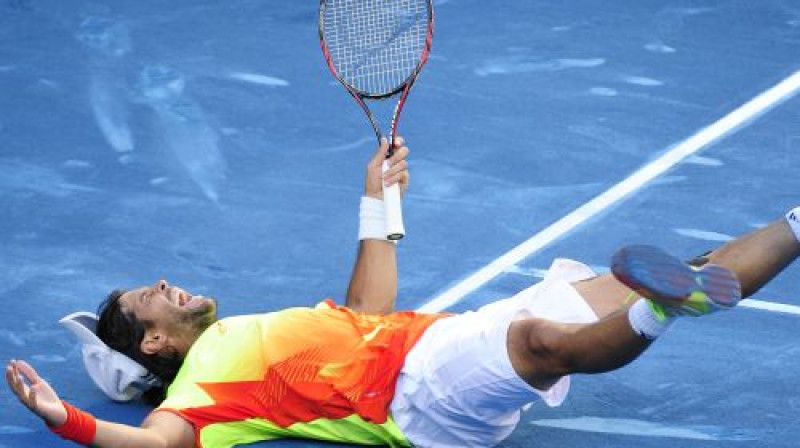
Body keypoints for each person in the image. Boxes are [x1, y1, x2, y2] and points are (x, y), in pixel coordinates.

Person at [6, 137, 800, 448]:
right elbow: (156, 445)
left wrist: (377, 200)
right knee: (540, 343)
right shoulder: (206, 388)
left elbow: (368, 313)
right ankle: (661, 308)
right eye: (155, 296)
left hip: (437, 338)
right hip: (416, 398)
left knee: (687, 265)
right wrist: (66, 421)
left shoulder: (252, 328)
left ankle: (783, 229)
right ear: (153, 344)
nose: (169, 284)